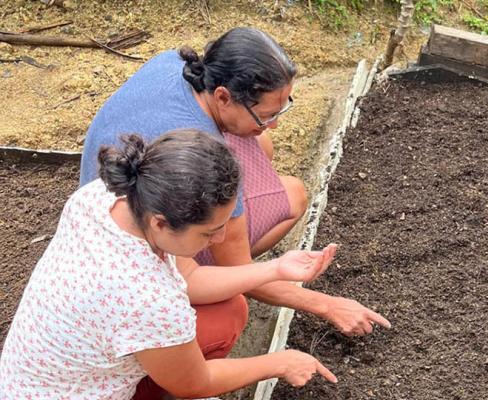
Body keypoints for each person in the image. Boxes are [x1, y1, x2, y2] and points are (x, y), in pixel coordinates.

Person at [79, 27, 388, 339]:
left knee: (262, 144)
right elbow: (236, 268)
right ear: (223, 96)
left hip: (113, 191)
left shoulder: (173, 63)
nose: (275, 123)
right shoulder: (205, 168)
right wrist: (327, 305)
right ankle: (204, 251)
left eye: (282, 108)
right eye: (267, 115)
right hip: (138, 234)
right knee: (292, 199)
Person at [0, 130, 340, 399]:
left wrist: (276, 268)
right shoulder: (146, 296)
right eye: (209, 232)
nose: (221, 239)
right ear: (161, 223)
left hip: (29, 379)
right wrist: (280, 362)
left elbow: (189, 277)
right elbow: (194, 382)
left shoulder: (105, 197)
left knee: (227, 312)